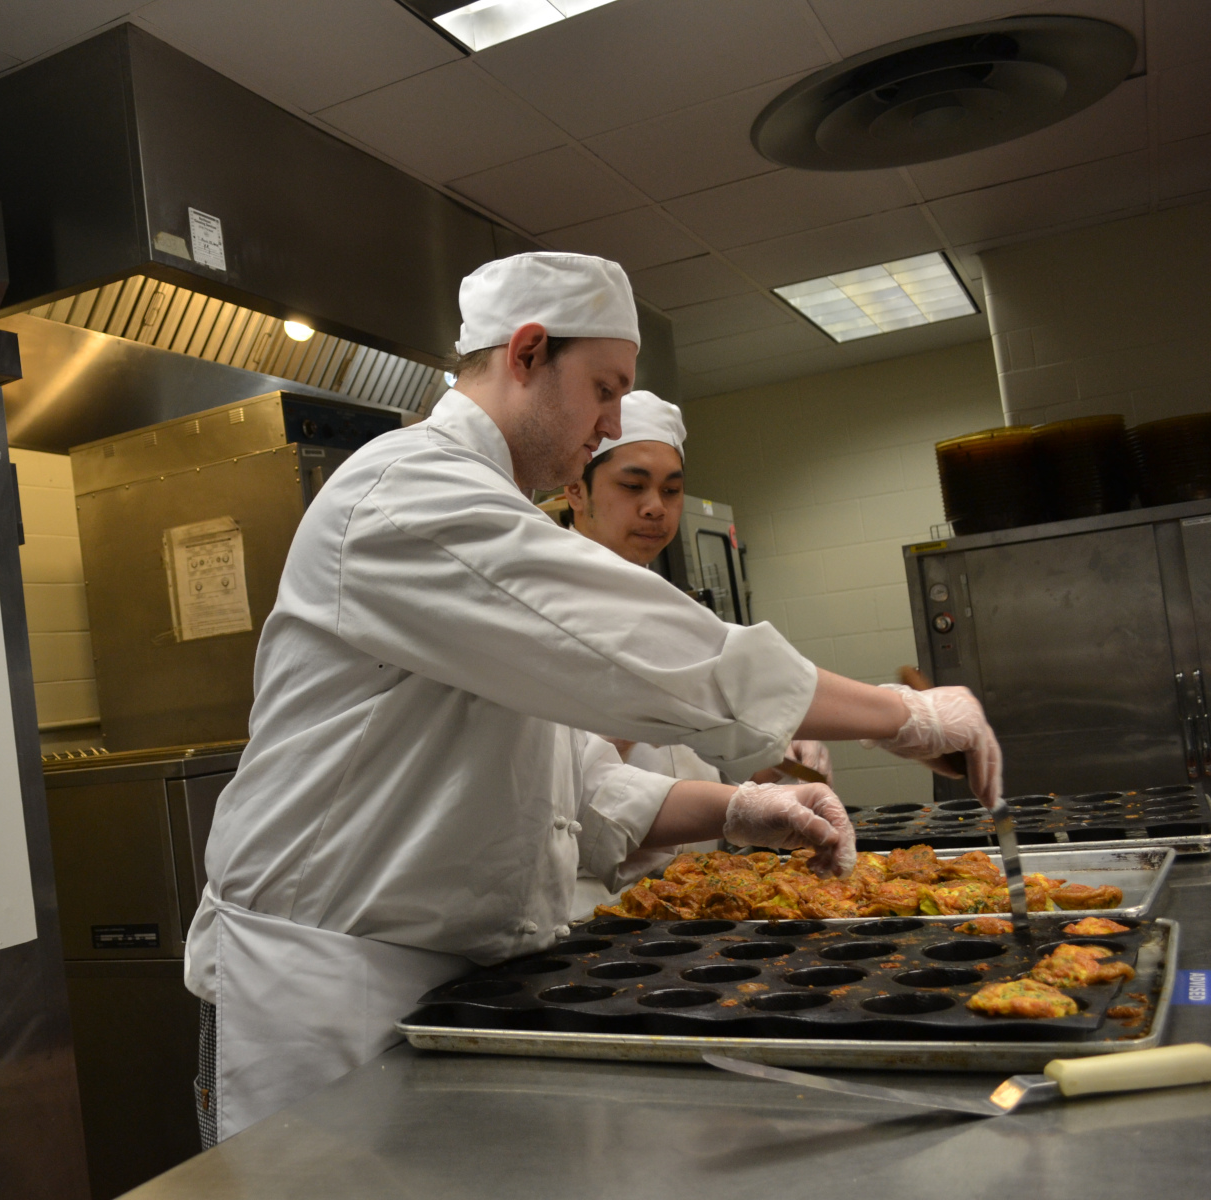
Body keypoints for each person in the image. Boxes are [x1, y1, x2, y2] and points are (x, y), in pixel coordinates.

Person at [184, 251, 1003, 1146]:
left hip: (450, 981)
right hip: (323, 983)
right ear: (529, 352)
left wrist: (737, 810)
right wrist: (904, 715)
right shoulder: (404, 494)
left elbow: (563, 780)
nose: (610, 423)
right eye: (605, 389)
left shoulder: (482, 508)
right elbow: (651, 650)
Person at [557, 392, 834, 912]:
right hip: (592, 908)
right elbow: (553, 790)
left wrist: (774, 761)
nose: (655, 507)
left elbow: (713, 762)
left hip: (704, 897)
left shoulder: (679, 615)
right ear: (575, 487)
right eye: (633, 486)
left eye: (672, 490)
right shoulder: (540, 611)